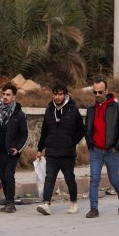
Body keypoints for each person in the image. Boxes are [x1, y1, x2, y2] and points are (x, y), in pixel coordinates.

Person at [83, 77, 119, 217]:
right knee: (94, 179)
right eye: (95, 92)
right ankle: (93, 209)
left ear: (106, 91)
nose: (97, 95)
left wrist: (117, 147)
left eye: (100, 92)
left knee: (114, 179)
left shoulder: (117, 108)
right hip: (96, 150)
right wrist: (90, 142)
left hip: (111, 150)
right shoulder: (91, 109)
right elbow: (87, 129)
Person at [35, 83, 82, 215]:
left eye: (60, 94)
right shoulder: (49, 110)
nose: (57, 97)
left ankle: (73, 202)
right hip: (51, 152)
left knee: (69, 179)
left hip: (67, 153)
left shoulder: (73, 110)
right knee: (49, 178)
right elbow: (44, 131)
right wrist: (40, 149)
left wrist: (71, 142)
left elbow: (81, 130)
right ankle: (46, 204)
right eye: (55, 94)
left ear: (65, 95)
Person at [0, 84, 28, 213]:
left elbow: (25, 134)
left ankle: (11, 203)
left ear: (14, 97)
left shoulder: (19, 115)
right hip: (0, 150)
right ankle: (8, 199)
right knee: (2, 175)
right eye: (4, 94)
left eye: (8, 95)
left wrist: (18, 148)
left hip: (12, 151)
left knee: (8, 175)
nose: (5, 97)